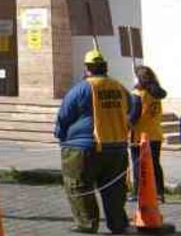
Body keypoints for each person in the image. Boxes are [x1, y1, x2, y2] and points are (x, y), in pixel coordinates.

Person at [55, 49, 132, 234]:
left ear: (87, 68)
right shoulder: (119, 87)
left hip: (83, 147)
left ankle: (87, 223)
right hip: (116, 146)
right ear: (104, 66)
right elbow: (131, 108)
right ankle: (118, 223)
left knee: (78, 185)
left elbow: (64, 117)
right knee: (114, 189)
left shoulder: (80, 89)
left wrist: (61, 135)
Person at [130, 65, 168, 201]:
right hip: (155, 134)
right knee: (155, 164)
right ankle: (159, 192)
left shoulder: (138, 94)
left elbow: (133, 117)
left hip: (140, 136)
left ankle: (138, 193)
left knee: (138, 165)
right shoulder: (156, 93)